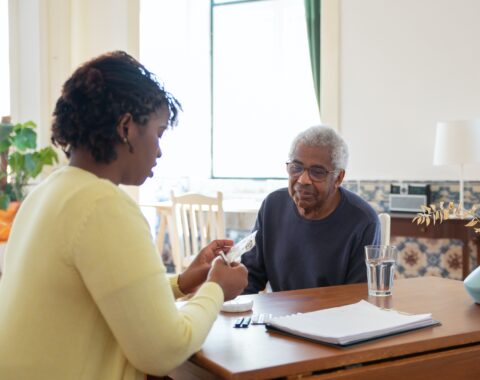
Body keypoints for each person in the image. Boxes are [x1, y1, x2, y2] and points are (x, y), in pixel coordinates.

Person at [0, 51, 248, 379]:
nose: (159, 150)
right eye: (158, 133)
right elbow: (164, 350)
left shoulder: (47, 192)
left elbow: (106, 289)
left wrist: (183, 282)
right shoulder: (103, 205)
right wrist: (216, 288)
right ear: (127, 127)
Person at [241, 125, 380, 293]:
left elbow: (357, 297)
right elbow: (249, 278)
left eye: (317, 172)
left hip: (336, 317)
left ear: (338, 178)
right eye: (296, 168)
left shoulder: (363, 221)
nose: (303, 180)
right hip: (279, 316)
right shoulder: (272, 206)